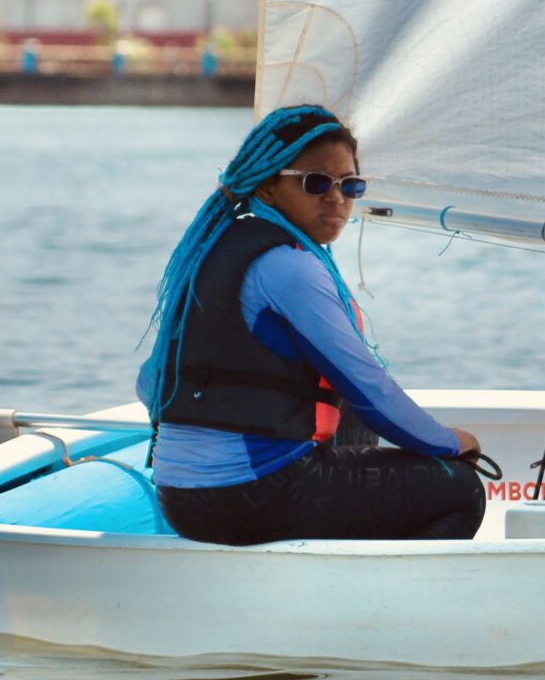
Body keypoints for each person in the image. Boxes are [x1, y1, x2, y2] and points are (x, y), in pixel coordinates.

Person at [139, 104, 486, 545]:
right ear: (268, 187)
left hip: (178, 496)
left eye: (351, 185)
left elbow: (149, 384)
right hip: (251, 494)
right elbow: (371, 392)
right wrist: (450, 443)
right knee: (460, 489)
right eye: (316, 183)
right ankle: (367, 592)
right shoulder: (289, 268)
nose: (337, 198)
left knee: (343, 414)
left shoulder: (211, 252)